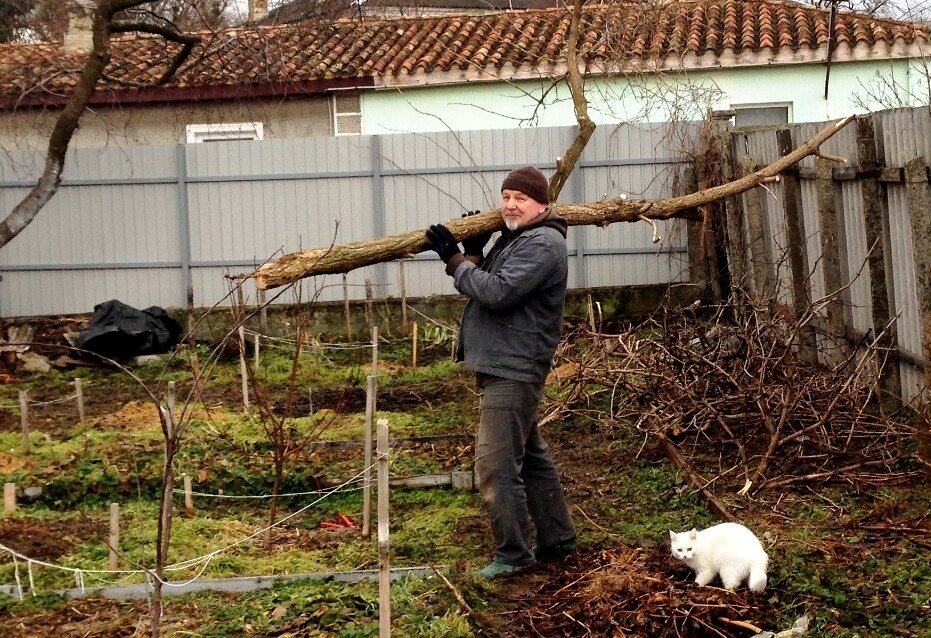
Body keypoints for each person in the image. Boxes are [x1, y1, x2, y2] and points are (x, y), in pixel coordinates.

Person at [424, 165, 576, 579]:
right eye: (505, 196)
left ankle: (513, 554)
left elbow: (496, 292)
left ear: (542, 204)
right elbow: (479, 280)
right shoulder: (517, 239)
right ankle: (557, 537)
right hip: (503, 362)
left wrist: (452, 257)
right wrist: (473, 252)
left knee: (496, 465)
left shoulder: (542, 243)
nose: (509, 204)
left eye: (520, 198)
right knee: (530, 456)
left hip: (514, 366)